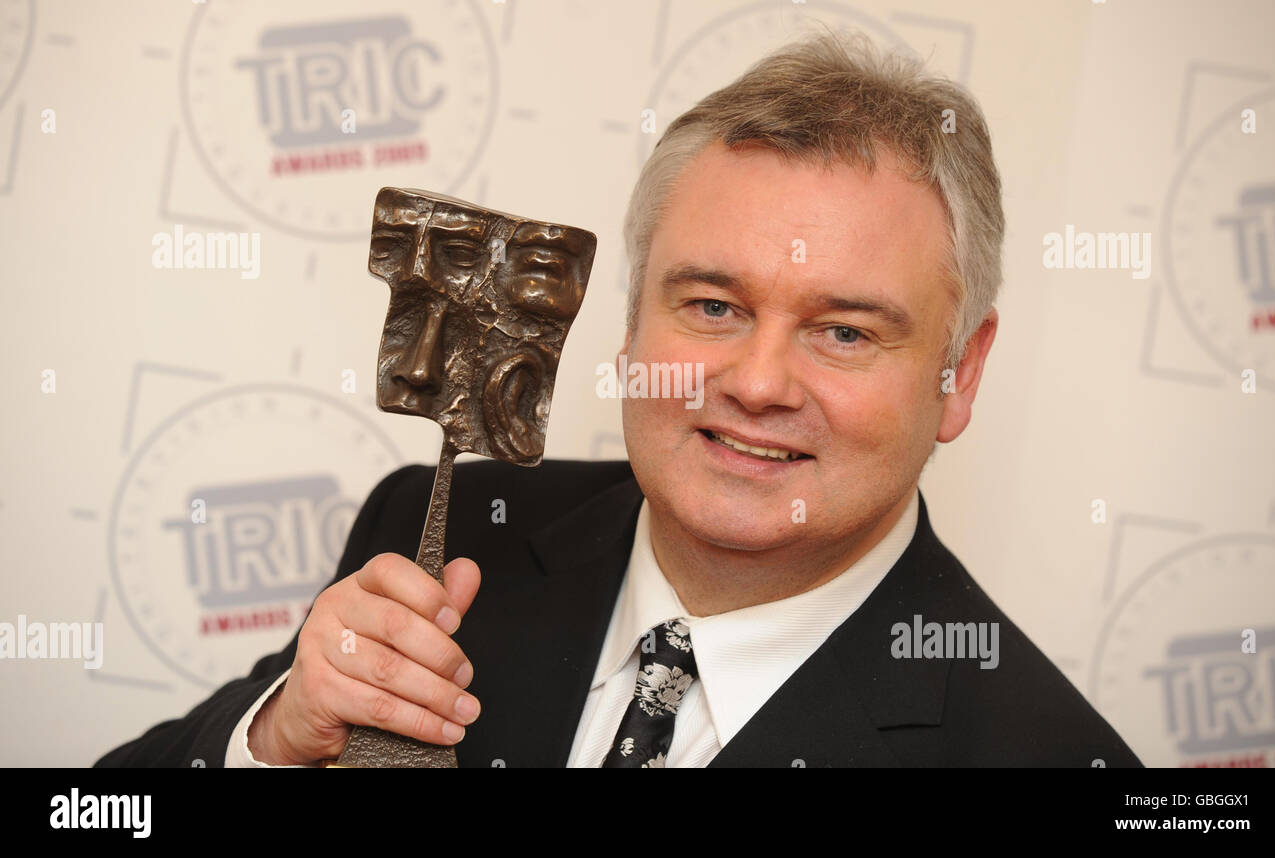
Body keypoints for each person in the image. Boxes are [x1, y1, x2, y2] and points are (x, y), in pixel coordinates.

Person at [95, 30, 1142, 768]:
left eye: (843, 331)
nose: (757, 383)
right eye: (714, 306)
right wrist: (274, 744)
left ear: (959, 375)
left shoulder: (1041, 751)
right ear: (632, 323)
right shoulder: (446, 535)